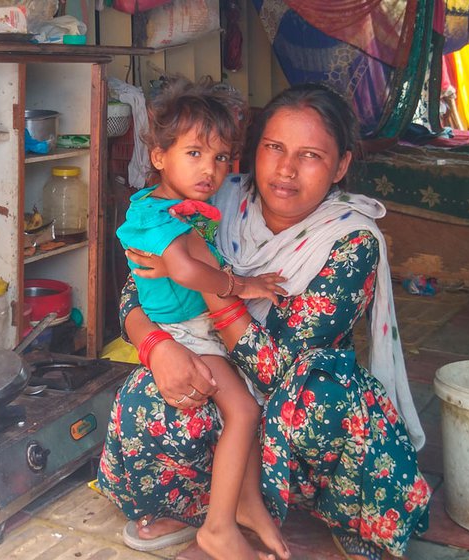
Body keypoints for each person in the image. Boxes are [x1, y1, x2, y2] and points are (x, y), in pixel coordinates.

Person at [97, 83, 430, 560]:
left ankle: (320, 508)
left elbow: (275, 373)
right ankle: (210, 505)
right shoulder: (214, 200)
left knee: (324, 395)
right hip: (219, 372)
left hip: (295, 422)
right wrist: (157, 347)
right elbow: (138, 287)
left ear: (340, 166)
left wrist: (213, 286)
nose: (286, 169)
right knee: (148, 393)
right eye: (274, 147)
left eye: (310, 155)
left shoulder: (350, 242)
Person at [114, 78, 286, 560]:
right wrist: (241, 286)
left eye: (220, 158)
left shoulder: (167, 206)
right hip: (187, 334)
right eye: (194, 154)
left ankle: (246, 506)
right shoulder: (161, 217)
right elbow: (187, 270)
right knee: (245, 411)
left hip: (192, 327)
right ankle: (218, 528)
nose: (209, 169)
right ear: (159, 156)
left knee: (250, 401)